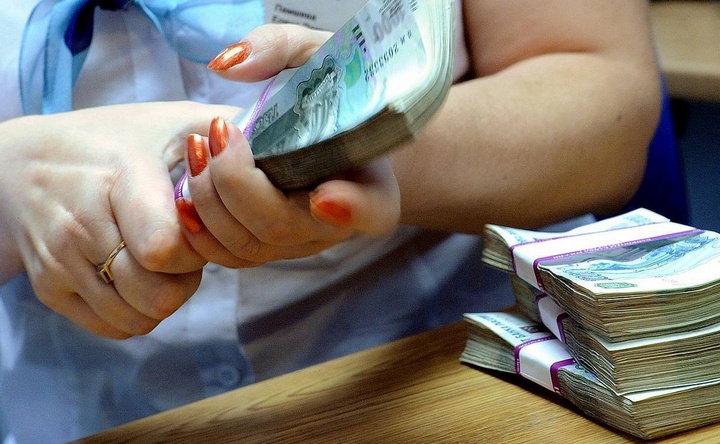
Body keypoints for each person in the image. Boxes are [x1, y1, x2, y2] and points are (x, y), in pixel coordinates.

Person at [0, 1, 666, 442]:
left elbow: (605, 103)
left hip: (446, 388)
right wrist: (12, 182)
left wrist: (349, 143)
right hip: (87, 414)